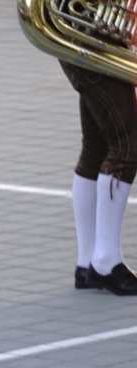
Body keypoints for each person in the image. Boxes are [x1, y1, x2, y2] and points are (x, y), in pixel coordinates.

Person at [60, 60, 137, 295]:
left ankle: (88, 262)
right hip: (92, 49)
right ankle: (106, 262)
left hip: (88, 49)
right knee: (126, 146)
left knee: (97, 147)